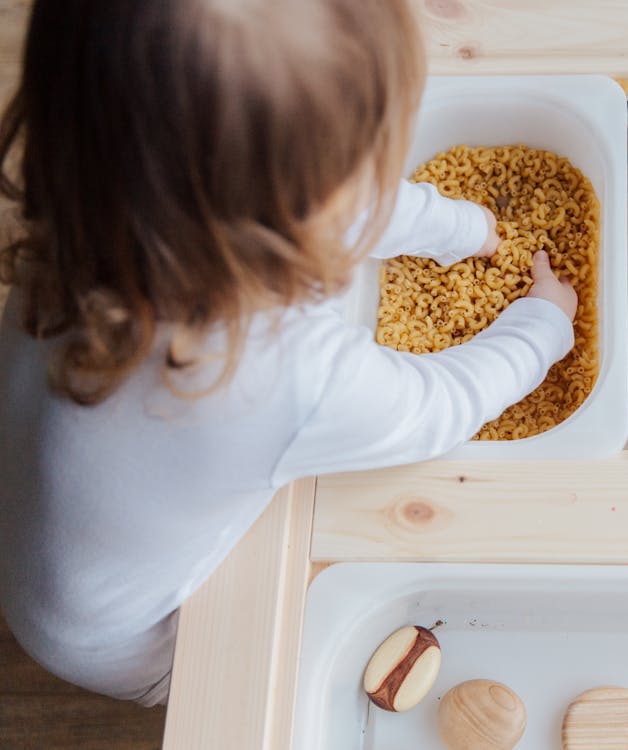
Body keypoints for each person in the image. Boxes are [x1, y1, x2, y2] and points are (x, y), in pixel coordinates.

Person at [0, 0, 576, 706]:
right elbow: (440, 404)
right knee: (306, 657)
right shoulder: (272, 374)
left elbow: (333, 204)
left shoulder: (100, 204)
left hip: (48, 551)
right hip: (134, 636)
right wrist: (543, 325)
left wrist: (463, 229)